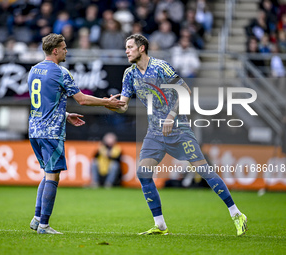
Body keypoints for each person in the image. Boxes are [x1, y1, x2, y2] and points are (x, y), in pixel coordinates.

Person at [105, 34, 248, 236]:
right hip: (155, 133)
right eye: (126, 47)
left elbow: (185, 90)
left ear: (142, 48)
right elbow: (124, 105)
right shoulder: (129, 74)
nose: (126, 51)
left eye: (130, 47)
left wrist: (171, 115)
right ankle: (160, 225)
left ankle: (237, 213)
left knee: (204, 171)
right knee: (143, 173)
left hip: (179, 129)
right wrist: (111, 105)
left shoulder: (161, 67)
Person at [28, 33, 125, 234]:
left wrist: (65, 115)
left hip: (34, 130)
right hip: (51, 133)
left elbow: (44, 104)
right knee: (53, 177)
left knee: (47, 175)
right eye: (64, 48)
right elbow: (82, 99)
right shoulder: (60, 72)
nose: (66, 50)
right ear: (55, 50)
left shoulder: (33, 70)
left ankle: (37, 218)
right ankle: (44, 225)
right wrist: (107, 102)